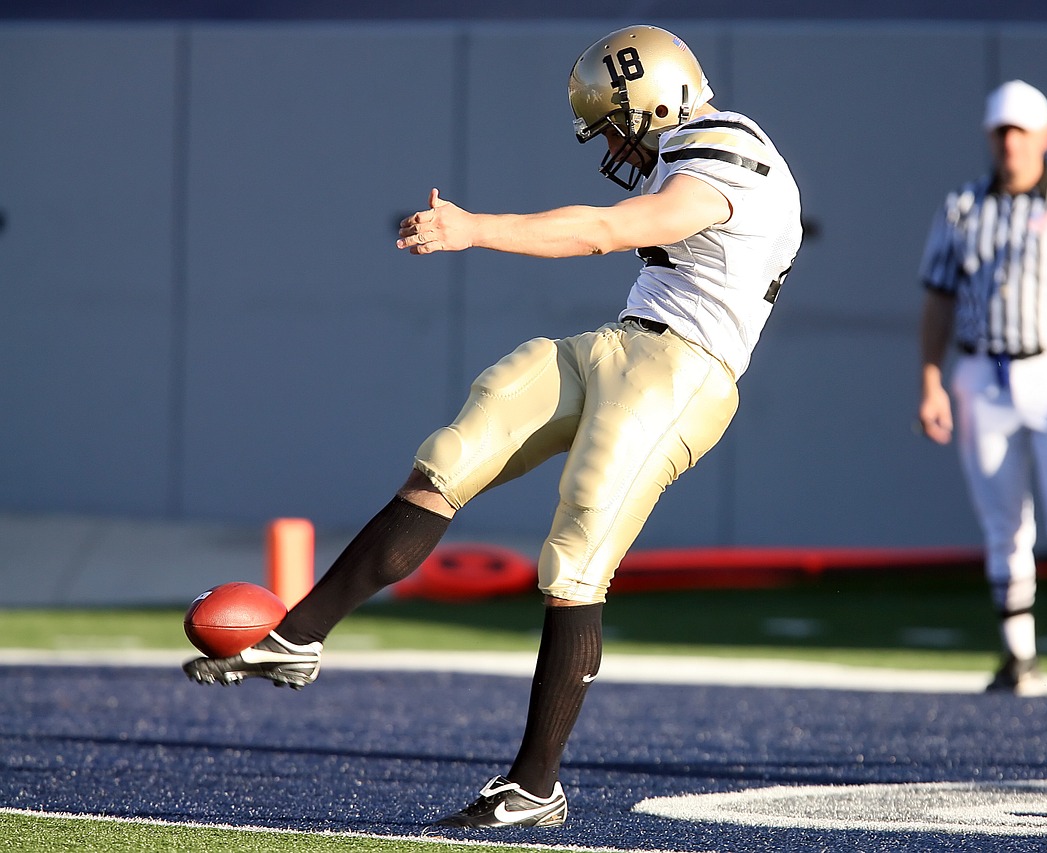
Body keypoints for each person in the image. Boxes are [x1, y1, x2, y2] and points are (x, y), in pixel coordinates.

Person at [183, 24, 802, 829]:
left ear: (653, 97)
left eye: (616, 121)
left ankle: (535, 784)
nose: (614, 142)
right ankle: (298, 636)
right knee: (453, 452)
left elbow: (607, 230)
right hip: (623, 342)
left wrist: (475, 229)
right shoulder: (696, 146)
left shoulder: (731, 148)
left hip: (685, 374)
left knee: (574, 558)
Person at [916, 80, 1047, 698]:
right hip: (981, 372)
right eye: (1002, 131)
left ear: (1044, 136)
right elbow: (937, 298)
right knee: (1003, 523)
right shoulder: (962, 206)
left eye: (1021, 131)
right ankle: (1019, 656)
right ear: (990, 135)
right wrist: (930, 378)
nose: (1011, 143)